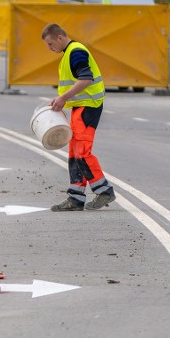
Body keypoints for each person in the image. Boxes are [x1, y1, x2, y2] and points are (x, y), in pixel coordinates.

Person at [41, 23, 116, 212]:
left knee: (82, 152)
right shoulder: (69, 53)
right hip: (81, 107)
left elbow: (86, 79)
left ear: (59, 37)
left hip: (89, 107)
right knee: (75, 153)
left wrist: (63, 98)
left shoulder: (76, 52)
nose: (50, 49)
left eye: (50, 44)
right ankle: (75, 197)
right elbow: (74, 84)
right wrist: (62, 101)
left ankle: (104, 190)